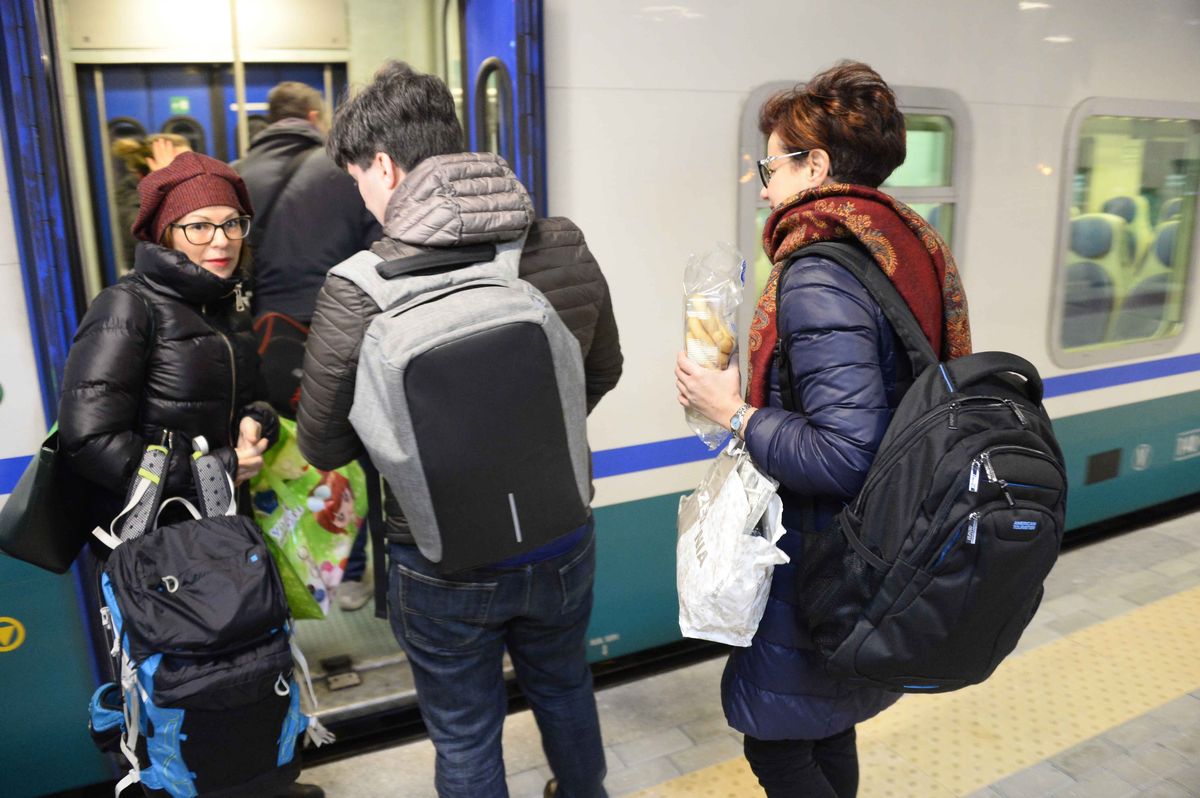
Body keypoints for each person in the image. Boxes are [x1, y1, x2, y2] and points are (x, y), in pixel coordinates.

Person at [297, 60, 622, 798]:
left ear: (382, 164)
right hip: (560, 530)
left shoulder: (358, 289)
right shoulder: (562, 243)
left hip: (438, 555)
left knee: (466, 729)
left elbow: (322, 443)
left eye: (359, 180)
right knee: (566, 687)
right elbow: (601, 369)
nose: (365, 199)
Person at [674, 61, 972, 798]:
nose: (763, 183)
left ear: (818, 165)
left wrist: (731, 411)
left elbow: (845, 454)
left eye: (770, 164)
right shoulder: (903, 245)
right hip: (883, 537)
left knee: (776, 743)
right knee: (823, 723)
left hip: (824, 546)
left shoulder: (817, 271)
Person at [58, 151, 323, 798]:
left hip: (220, 537)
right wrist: (219, 466)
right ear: (163, 234)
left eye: (232, 224)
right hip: (156, 552)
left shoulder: (221, 305)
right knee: (179, 695)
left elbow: (251, 395)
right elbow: (88, 438)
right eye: (198, 226)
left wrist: (256, 421)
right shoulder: (128, 308)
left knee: (242, 684)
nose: (221, 241)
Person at [233, 80, 381, 609]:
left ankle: (283, 569)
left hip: (260, 347)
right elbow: (377, 258)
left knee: (269, 455)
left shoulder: (234, 175)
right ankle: (355, 574)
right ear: (315, 117)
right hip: (335, 341)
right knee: (350, 455)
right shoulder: (346, 173)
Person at [111, 133, 191, 272]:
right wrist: (166, 182)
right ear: (152, 168)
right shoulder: (129, 194)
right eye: (181, 166)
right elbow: (151, 238)